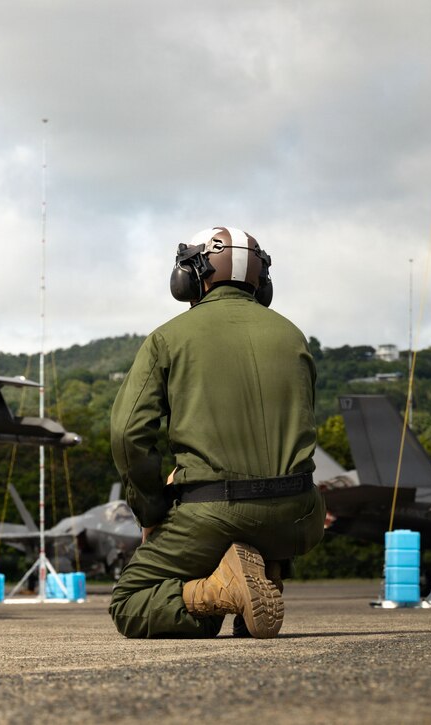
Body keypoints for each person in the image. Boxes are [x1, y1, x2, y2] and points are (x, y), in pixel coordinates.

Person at [108, 227, 325, 639]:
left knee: (130, 602)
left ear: (191, 277)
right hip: (300, 518)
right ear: (261, 283)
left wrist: (153, 510)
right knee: (272, 502)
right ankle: (267, 569)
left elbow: (127, 433)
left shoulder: (167, 338)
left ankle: (221, 592)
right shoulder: (294, 336)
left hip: (214, 513)